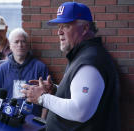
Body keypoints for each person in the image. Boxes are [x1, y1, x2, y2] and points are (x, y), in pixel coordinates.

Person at [22, 2, 120, 131]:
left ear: (85, 28)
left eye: (66, 26)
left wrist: (42, 98)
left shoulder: (91, 60)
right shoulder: (84, 55)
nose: (59, 32)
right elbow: (79, 95)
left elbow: (80, 111)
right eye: (59, 26)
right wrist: (56, 90)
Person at [0, 28, 49, 118]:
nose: (20, 45)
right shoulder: (1, 70)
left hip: (33, 122)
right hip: (7, 120)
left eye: (23, 41)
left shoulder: (40, 68)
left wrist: (42, 122)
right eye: (16, 42)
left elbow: (48, 97)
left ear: (28, 45)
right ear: (10, 45)